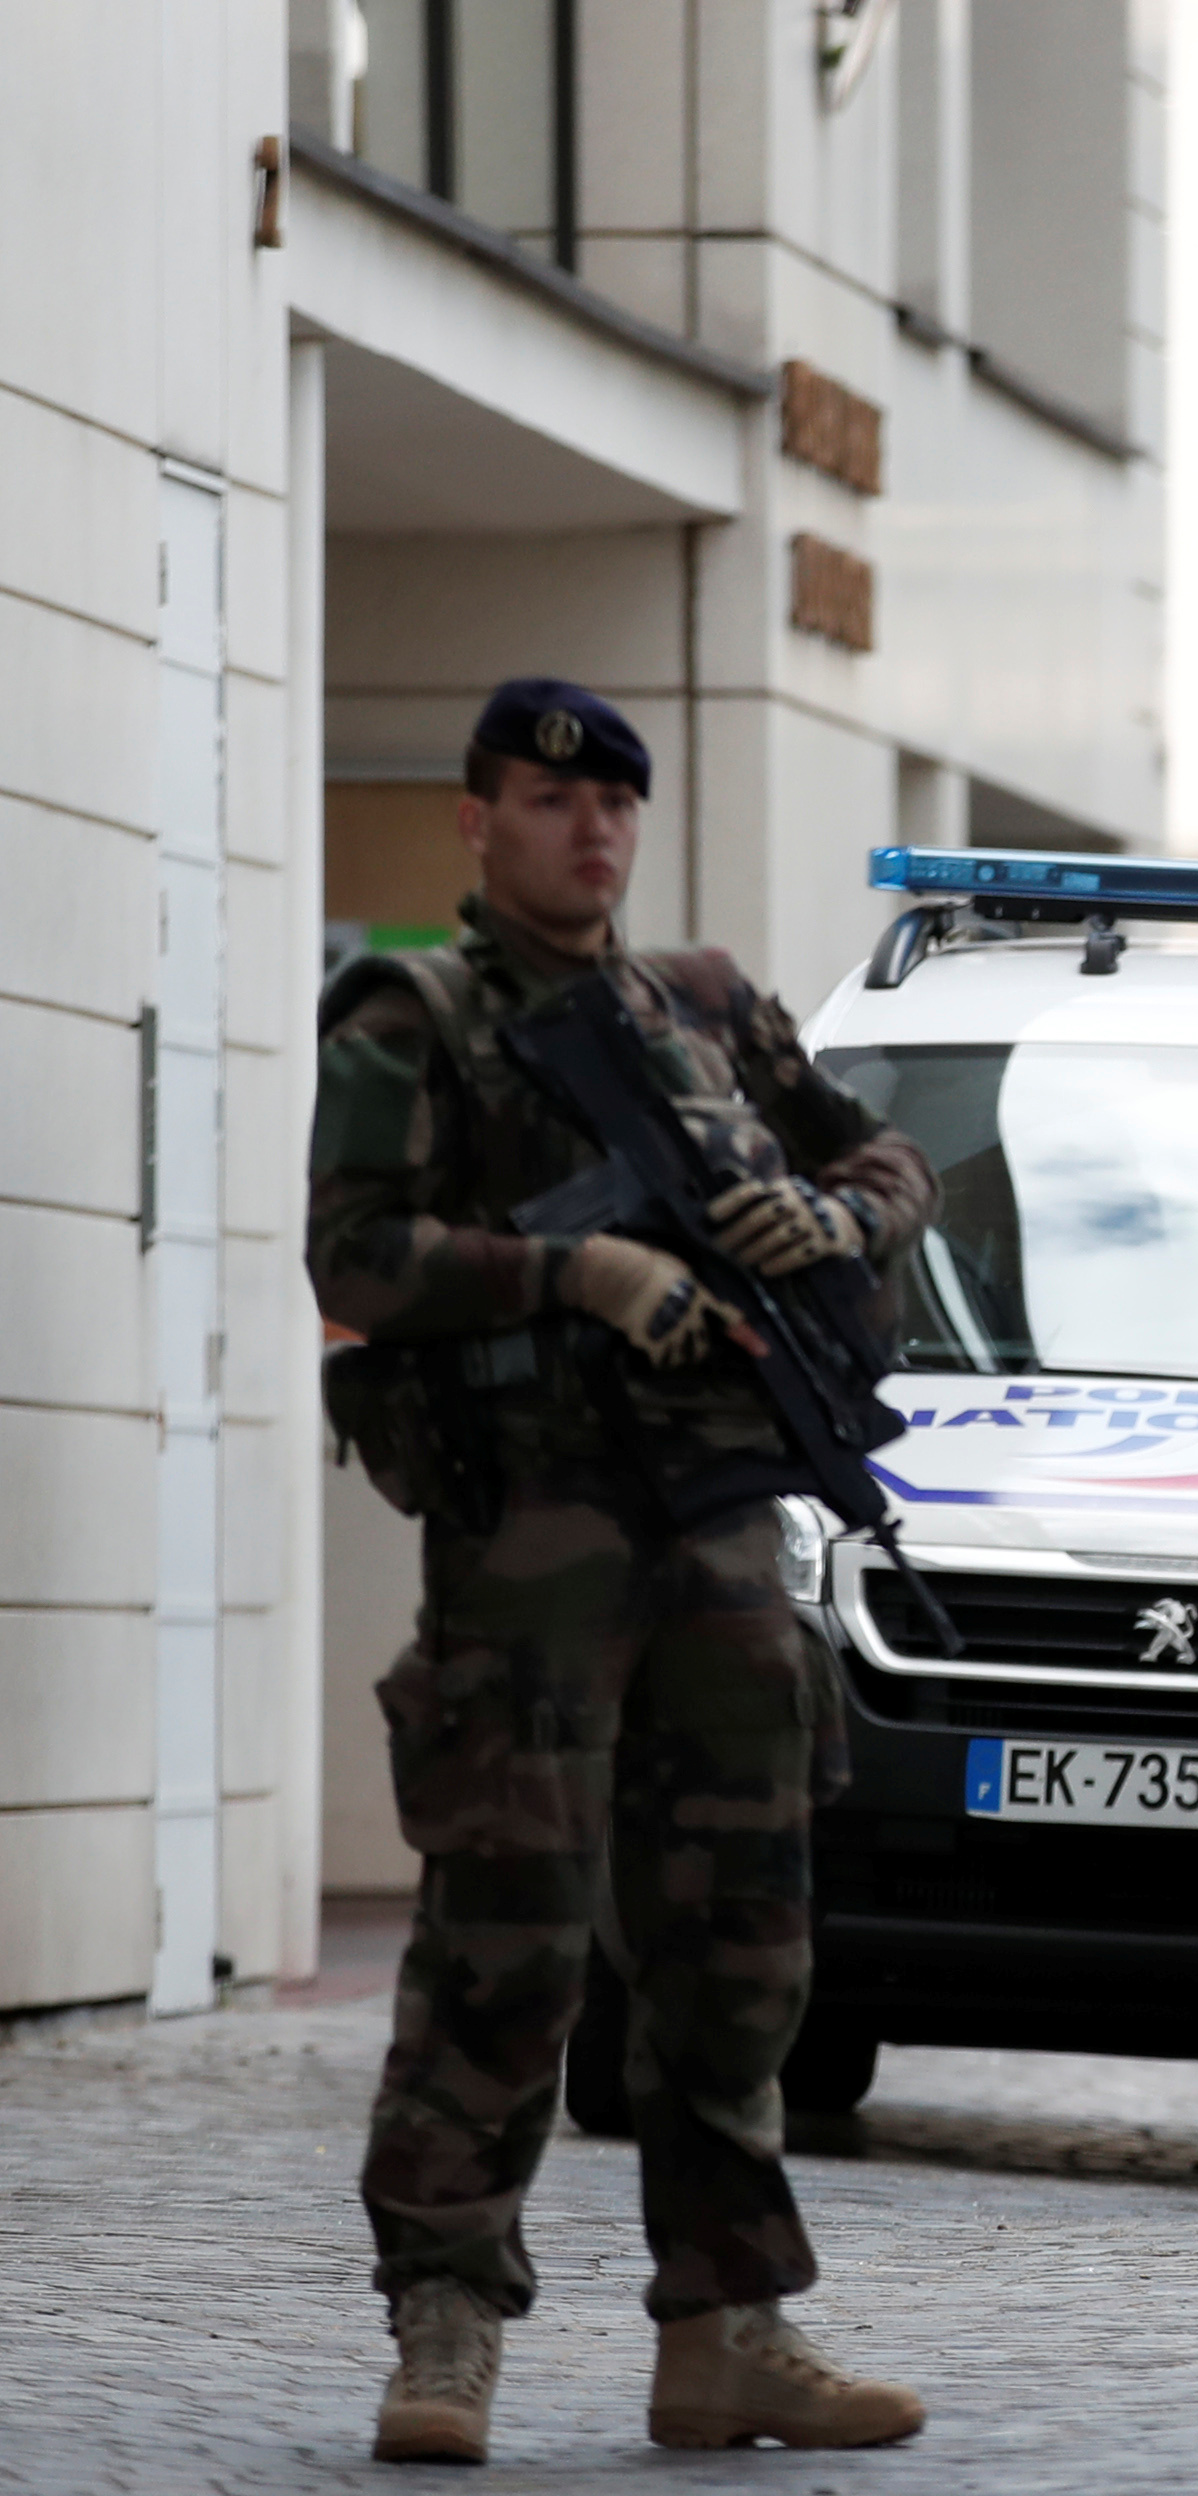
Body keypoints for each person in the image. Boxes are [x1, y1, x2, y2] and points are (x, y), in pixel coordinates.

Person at [309, 681, 932, 2464]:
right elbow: (349, 1248)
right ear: (476, 819)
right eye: (548, 802)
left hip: (723, 1532)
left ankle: (727, 2331)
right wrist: (564, 1277)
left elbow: (890, 1157)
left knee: (740, 1941)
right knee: (505, 1932)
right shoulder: (411, 1012)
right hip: (533, 1541)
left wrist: (837, 1217)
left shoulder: (711, 1007)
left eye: (614, 810)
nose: (590, 834)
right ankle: (443, 2330)